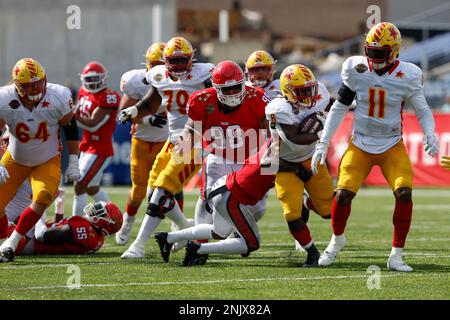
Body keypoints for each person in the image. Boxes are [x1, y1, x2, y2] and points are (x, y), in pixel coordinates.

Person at [311, 22, 439, 272]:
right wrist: (324, 142)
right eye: (369, 51)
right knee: (343, 194)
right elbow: (339, 107)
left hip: (392, 144)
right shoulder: (355, 68)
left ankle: (396, 255)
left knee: (404, 193)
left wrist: (431, 132)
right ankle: (336, 241)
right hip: (360, 143)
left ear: (395, 52)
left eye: (379, 53)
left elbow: (422, 109)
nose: (373, 58)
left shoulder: (408, 74)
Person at [155, 60, 271, 264]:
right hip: (219, 160)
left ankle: (185, 240)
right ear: (216, 89)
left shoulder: (257, 98)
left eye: (237, 87)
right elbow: (192, 129)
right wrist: (183, 142)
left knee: (257, 209)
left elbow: (268, 133)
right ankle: (200, 249)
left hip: (249, 161)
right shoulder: (202, 100)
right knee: (212, 216)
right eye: (228, 89)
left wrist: (269, 161)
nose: (234, 92)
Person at [118, 36, 214, 258]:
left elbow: (214, 104)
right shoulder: (158, 75)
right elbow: (150, 103)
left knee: (161, 191)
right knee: (153, 190)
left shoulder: (205, 73)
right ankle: (184, 226)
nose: (179, 66)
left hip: (195, 142)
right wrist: (133, 112)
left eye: (183, 61)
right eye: (174, 61)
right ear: (165, 61)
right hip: (172, 141)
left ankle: (138, 246)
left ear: (192, 60)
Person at [0, 58, 81, 263]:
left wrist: (73, 160)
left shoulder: (58, 96)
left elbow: (70, 127)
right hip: (15, 158)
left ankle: (12, 242)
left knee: (44, 195)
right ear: (18, 86)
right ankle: (2, 243)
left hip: (47, 159)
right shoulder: (4, 99)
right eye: (29, 85)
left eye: (38, 82)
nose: (36, 88)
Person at [154, 139, 277, 266]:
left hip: (225, 187)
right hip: (231, 193)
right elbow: (272, 163)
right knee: (252, 243)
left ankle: (169, 238)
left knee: (219, 232)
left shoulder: (272, 144)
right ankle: (199, 249)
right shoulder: (278, 148)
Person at [265, 64, 335, 266]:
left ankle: (307, 203)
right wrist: (321, 133)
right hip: (285, 164)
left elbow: (329, 104)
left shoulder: (319, 92)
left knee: (328, 211)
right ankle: (312, 252)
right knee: (291, 214)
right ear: (288, 91)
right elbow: (294, 139)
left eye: (309, 89)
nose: (308, 94)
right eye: (302, 91)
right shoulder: (279, 108)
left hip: (311, 158)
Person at [115, 42, 169, 245]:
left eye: (161, 64)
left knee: (170, 187)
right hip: (142, 141)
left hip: (167, 141)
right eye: (154, 64)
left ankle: (176, 226)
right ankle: (127, 222)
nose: (157, 69)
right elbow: (123, 114)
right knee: (139, 190)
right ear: (147, 64)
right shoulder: (136, 81)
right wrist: (147, 119)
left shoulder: (177, 80)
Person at [72, 61, 120, 217]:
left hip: (100, 148)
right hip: (87, 145)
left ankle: (74, 223)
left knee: (79, 186)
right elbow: (77, 110)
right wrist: (71, 114)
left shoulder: (109, 97)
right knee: (91, 188)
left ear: (103, 78)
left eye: (95, 79)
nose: (92, 83)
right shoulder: (82, 92)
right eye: (89, 79)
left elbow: (93, 125)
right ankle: (112, 216)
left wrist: (70, 116)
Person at [10, 201, 122, 256]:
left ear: (103, 221)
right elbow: (60, 231)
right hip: (30, 238)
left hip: (27, 243)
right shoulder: (97, 236)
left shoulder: (85, 229)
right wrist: (59, 209)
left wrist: (38, 212)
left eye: (99, 211)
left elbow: (42, 235)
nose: (94, 208)